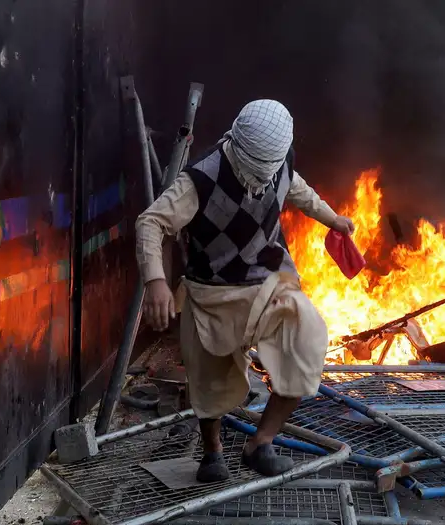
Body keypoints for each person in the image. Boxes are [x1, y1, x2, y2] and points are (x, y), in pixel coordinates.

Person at [135, 100, 356, 481]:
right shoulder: (200, 179)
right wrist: (156, 280)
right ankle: (213, 453)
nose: (265, 176)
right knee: (209, 377)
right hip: (213, 292)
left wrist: (334, 220)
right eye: (259, 168)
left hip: (271, 284)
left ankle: (260, 443)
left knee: (307, 344)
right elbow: (151, 222)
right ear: (239, 145)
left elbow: (298, 190)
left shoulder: (279, 164)